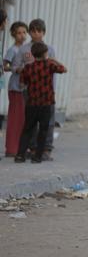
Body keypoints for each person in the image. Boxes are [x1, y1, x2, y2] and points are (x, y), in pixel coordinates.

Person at [12, 19, 58, 160]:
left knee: (48, 122)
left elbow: (55, 70)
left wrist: (53, 89)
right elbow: (15, 67)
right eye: (33, 31)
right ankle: (33, 149)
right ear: (30, 32)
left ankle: (46, 149)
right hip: (30, 92)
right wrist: (24, 71)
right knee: (31, 122)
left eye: (39, 31)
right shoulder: (24, 49)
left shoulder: (50, 50)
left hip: (47, 94)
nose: (36, 33)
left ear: (44, 32)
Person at [15, 42, 67, 163]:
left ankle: (20, 155)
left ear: (32, 54)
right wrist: (55, 60)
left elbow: (22, 84)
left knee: (27, 129)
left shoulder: (27, 68)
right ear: (45, 54)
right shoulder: (49, 65)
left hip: (32, 104)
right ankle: (37, 157)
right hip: (46, 103)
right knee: (43, 130)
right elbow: (64, 69)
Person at [4, 21, 28, 158]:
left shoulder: (27, 49)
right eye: (19, 33)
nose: (22, 35)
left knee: (23, 118)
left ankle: (20, 146)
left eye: (24, 32)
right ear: (13, 34)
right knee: (15, 118)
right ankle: (11, 148)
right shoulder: (12, 50)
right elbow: (5, 66)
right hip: (15, 88)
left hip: (25, 87)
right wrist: (16, 69)